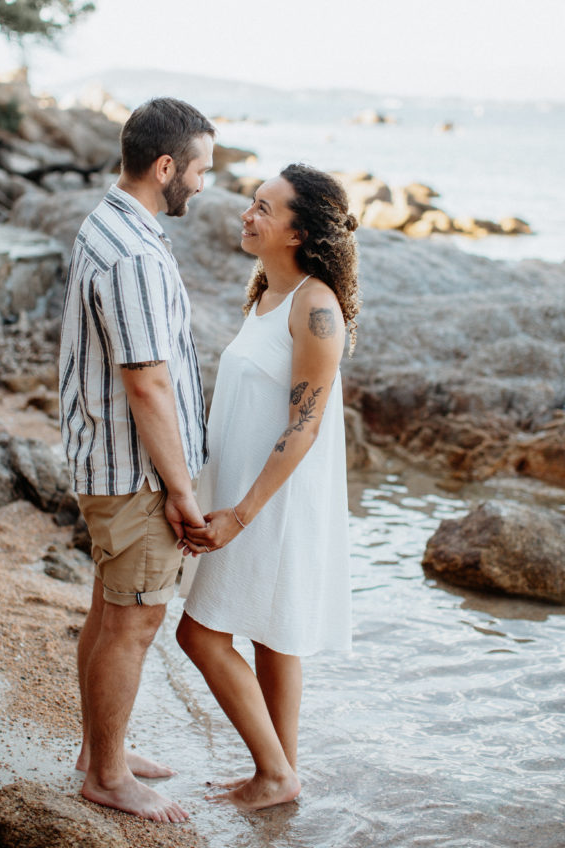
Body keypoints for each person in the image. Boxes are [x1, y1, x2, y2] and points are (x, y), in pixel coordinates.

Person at [176, 163, 359, 811]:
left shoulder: (316, 307)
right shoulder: (264, 294)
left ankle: (275, 774)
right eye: (251, 203)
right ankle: (278, 775)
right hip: (240, 495)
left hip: (271, 505)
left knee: (199, 635)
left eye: (262, 208)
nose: (246, 214)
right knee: (271, 637)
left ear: (299, 231)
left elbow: (303, 428)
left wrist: (238, 515)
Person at [59, 97, 214, 822]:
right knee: (135, 622)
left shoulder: (111, 223)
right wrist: (180, 491)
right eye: (200, 169)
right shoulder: (132, 253)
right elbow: (146, 380)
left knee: (109, 610)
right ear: (165, 167)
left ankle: (99, 752)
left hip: (111, 463)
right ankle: (108, 777)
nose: (204, 184)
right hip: (135, 474)